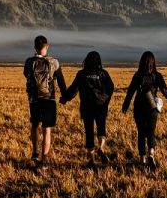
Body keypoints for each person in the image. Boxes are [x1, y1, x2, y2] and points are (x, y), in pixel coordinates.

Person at [121, 51, 167, 170]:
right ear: (153, 62)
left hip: (139, 107)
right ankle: (151, 153)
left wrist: (125, 106)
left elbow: (130, 92)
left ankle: (142, 159)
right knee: (151, 132)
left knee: (141, 132)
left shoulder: (137, 75)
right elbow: (165, 91)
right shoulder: (157, 76)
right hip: (152, 107)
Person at [61, 51, 115, 165]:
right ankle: (101, 148)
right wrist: (105, 99)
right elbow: (111, 87)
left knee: (89, 132)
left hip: (86, 107)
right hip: (101, 106)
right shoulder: (103, 73)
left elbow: (73, 89)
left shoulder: (81, 74)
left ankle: (92, 160)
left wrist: (65, 98)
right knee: (101, 129)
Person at [23, 35, 67, 169]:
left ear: (35, 47)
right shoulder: (54, 62)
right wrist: (65, 97)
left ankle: (35, 153)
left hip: (34, 99)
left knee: (35, 124)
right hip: (49, 99)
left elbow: (26, 75)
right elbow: (61, 82)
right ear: (46, 46)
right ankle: (44, 159)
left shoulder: (29, 62)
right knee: (47, 129)